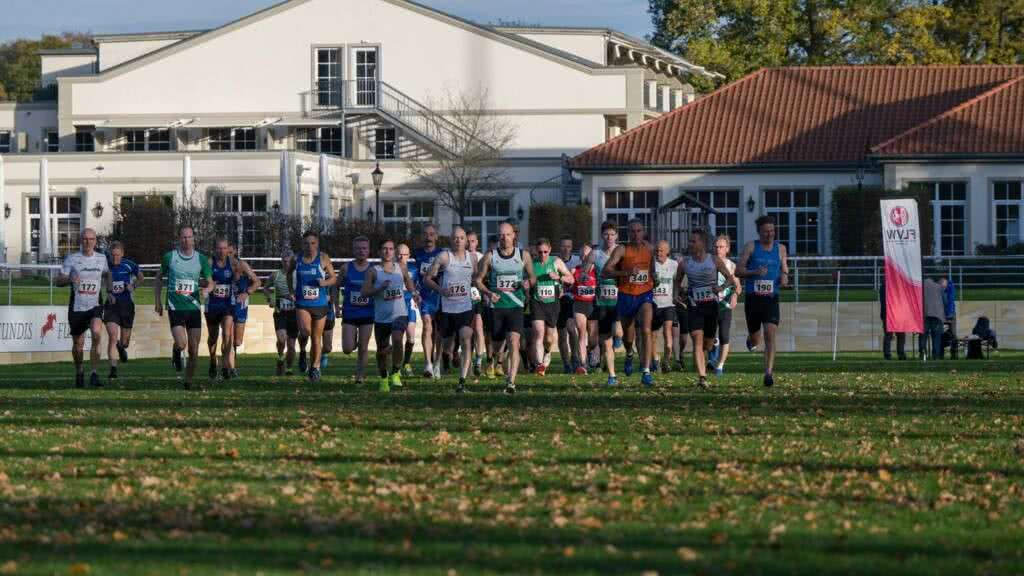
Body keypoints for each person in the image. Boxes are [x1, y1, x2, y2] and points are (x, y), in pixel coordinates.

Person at [475, 221, 536, 394]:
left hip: (515, 306)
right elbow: (478, 280)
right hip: (496, 307)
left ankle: (511, 382)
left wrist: (527, 283)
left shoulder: (523, 255)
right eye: (501, 235)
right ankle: (494, 360)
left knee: (514, 342)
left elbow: (533, 278)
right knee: (496, 345)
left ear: (514, 235)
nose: (504, 238)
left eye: (508, 234)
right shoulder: (490, 256)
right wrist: (488, 293)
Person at [677, 229, 737, 389]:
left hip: (711, 306)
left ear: (702, 243)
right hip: (694, 306)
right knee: (697, 339)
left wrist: (721, 287)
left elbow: (731, 279)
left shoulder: (714, 260)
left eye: (693, 241)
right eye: (690, 241)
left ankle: (709, 353)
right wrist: (680, 293)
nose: (690, 244)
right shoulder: (685, 263)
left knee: (707, 344)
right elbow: (677, 282)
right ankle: (702, 378)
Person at [154, 226, 213, 390]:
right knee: (182, 344)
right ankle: (176, 350)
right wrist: (157, 301)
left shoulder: (201, 259)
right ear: (179, 239)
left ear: (194, 238)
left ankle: (187, 382)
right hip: (175, 306)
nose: (186, 240)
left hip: (193, 308)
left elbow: (211, 281)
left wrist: (207, 289)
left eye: (189, 237)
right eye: (183, 237)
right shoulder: (169, 257)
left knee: (194, 351)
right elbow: (158, 279)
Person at [602, 219, 657, 387]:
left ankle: (646, 371)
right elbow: (606, 271)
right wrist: (625, 272)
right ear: (628, 233)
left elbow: (652, 270)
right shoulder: (622, 249)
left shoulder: (649, 249)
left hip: (644, 294)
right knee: (628, 336)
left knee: (646, 330)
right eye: (633, 231)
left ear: (643, 232)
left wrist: (654, 279)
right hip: (626, 295)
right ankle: (629, 354)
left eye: (639, 231)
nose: (636, 234)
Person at [736, 215, 789, 387]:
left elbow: (785, 269)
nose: (770, 234)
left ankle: (768, 374)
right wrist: (754, 272)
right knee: (756, 338)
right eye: (766, 231)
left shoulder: (780, 248)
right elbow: (738, 270)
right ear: (759, 232)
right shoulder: (751, 247)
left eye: (772, 231)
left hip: (771, 298)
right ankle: (751, 341)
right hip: (753, 299)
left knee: (770, 334)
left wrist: (785, 278)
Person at [425, 227, 479, 393]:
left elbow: (476, 278)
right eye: (455, 238)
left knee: (466, 338)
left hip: (465, 307)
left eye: (462, 238)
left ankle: (461, 382)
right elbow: (428, 279)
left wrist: (480, 291)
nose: (459, 241)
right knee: (446, 345)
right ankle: (444, 357)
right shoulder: (443, 257)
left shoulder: (472, 258)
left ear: (466, 241)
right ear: (450, 240)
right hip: (447, 309)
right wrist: (441, 290)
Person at [56, 228, 110, 388]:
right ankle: (79, 370)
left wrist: (111, 291)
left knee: (96, 333)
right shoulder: (72, 259)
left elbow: (107, 274)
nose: (88, 242)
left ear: (95, 241)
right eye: (85, 239)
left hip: (95, 306)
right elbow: (58, 281)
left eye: (91, 239)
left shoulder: (101, 259)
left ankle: (94, 373)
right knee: (78, 344)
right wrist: (70, 279)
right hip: (77, 307)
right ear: (81, 241)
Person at [362, 239, 417, 392]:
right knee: (381, 351)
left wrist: (414, 294)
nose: (388, 252)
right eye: (385, 249)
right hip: (381, 317)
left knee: (398, 339)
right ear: (380, 251)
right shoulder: (374, 271)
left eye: (391, 249)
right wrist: (379, 288)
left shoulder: (401, 267)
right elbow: (364, 292)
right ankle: (384, 378)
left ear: (394, 252)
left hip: (400, 314)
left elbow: (408, 282)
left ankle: (396, 372)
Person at [287, 231, 337, 382]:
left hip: (320, 303)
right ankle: (303, 351)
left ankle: (315, 368)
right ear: (302, 244)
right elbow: (289, 274)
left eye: (313, 243)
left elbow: (334, 278)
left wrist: (325, 282)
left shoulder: (323, 258)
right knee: (305, 331)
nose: (310, 246)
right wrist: (291, 291)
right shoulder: (297, 259)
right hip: (302, 303)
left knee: (316, 337)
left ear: (317, 244)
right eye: (306, 243)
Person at [530, 237, 575, 376]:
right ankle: (539, 365)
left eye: (545, 252)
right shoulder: (532, 264)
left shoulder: (556, 262)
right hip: (537, 301)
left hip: (553, 303)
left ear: (549, 250)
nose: (542, 255)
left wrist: (559, 278)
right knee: (538, 332)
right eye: (540, 252)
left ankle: (548, 352)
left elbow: (571, 279)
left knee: (548, 339)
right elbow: (526, 281)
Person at [586, 221, 621, 385]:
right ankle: (612, 375)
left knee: (619, 332)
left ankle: (620, 341)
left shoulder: (622, 252)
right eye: (606, 234)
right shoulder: (595, 253)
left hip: (619, 301)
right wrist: (585, 277)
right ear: (602, 235)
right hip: (602, 303)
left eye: (612, 234)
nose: (609, 237)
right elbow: (584, 272)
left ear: (616, 236)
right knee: (606, 342)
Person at [103, 241, 143, 379]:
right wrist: (108, 293)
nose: (115, 258)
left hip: (127, 306)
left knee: (124, 342)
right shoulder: (105, 265)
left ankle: (121, 347)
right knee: (112, 336)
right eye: (112, 255)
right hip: (111, 306)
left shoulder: (129, 265)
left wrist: (133, 286)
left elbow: (141, 277)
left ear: (122, 254)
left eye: (117, 255)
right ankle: (113, 369)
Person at [339, 236, 374, 384]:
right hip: (350, 312)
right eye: (358, 248)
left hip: (367, 312)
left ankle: (360, 375)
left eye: (364, 248)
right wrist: (335, 304)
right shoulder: (346, 268)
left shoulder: (374, 269)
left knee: (363, 347)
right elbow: (335, 285)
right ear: (354, 250)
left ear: (369, 250)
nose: (361, 251)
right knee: (347, 348)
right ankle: (352, 341)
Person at [204, 239, 238, 381]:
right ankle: (213, 360)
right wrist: (208, 285)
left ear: (228, 249)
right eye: (219, 248)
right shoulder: (209, 263)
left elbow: (248, 276)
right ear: (215, 250)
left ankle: (225, 366)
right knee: (213, 337)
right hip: (211, 305)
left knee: (227, 334)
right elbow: (202, 279)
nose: (221, 251)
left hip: (227, 305)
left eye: (224, 248)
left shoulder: (233, 263)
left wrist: (245, 291)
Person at [414, 224, 445, 379]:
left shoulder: (443, 254)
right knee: (427, 325)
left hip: (439, 296)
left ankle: (437, 362)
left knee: (439, 330)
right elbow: (411, 275)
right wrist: (414, 292)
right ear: (422, 236)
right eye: (425, 234)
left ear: (436, 237)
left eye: (432, 234)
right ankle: (427, 364)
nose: (428, 237)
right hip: (425, 296)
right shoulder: (417, 254)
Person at [707, 234, 741, 375]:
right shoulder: (707, 263)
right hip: (708, 303)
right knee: (708, 336)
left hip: (724, 304)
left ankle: (720, 366)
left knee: (724, 335)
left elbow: (738, 286)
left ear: (727, 249)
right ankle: (712, 350)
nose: (718, 249)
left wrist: (734, 296)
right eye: (716, 246)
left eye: (721, 247)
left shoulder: (732, 266)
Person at [264, 250, 298, 376]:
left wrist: (296, 297)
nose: (286, 264)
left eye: (288, 261)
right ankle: (280, 356)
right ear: (281, 261)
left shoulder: (297, 275)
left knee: (292, 346)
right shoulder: (275, 275)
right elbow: (266, 288)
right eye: (284, 261)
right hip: (280, 312)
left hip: (294, 313)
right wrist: (270, 298)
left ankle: (289, 368)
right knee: (281, 339)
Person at [230, 244, 260, 376]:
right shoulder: (219, 265)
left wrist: (247, 293)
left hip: (241, 305)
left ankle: (231, 361)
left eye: (230, 252)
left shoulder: (242, 265)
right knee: (227, 338)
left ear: (235, 251)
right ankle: (230, 367)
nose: (227, 254)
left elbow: (257, 281)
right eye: (225, 251)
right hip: (226, 305)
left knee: (237, 341)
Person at [650, 240, 677, 374]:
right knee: (652, 335)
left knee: (667, 333)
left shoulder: (674, 265)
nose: (658, 253)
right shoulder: (651, 265)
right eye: (657, 250)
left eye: (661, 250)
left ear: (667, 251)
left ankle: (666, 360)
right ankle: (655, 360)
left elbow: (678, 283)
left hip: (669, 305)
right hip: (654, 304)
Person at [556, 236, 582, 373]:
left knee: (572, 329)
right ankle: (566, 362)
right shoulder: (555, 261)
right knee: (561, 333)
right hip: (558, 300)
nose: (566, 249)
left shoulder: (577, 261)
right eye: (563, 246)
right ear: (559, 247)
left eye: (568, 246)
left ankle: (575, 357)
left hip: (572, 299)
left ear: (572, 248)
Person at [572, 243, 598, 375]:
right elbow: (569, 283)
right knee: (582, 333)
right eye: (582, 254)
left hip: (593, 305)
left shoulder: (597, 271)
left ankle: (590, 351)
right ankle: (583, 364)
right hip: (579, 304)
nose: (584, 257)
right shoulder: (575, 270)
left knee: (593, 338)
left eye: (587, 255)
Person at [397, 244, 419, 376]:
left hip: (409, 303)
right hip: (396, 305)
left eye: (404, 254)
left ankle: (407, 363)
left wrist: (417, 296)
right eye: (399, 254)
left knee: (410, 337)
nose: (401, 257)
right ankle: (397, 366)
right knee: (397, 337)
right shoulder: (391, 268)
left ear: (409, 255)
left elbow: (418, 284)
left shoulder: (413, 269)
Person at [467, 230, 487, 376]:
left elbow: (485, 277)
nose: (470, 244)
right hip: (462, 296)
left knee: (479, 327)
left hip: (477, 294)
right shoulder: (459, 257)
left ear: (477, 242)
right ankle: (465, 358)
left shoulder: (482, 257)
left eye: (472, 241)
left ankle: (479, 360)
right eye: (467, 241)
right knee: (467, 330)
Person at [878, 280, 906, 360]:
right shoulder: (896, 285)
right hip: (895, 313)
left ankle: (888, 354)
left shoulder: (884, 286)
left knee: (889, 335)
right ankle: (900, 354)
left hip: (889, 313)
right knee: (899, 335)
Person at [921, 276, 946, 360]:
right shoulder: (938, 287)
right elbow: (945, 301)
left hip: (924, 315)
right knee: (936, 337)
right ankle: (936, 356)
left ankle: (923, 355)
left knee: (923, 336)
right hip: (937, 315)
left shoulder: (920, 286)